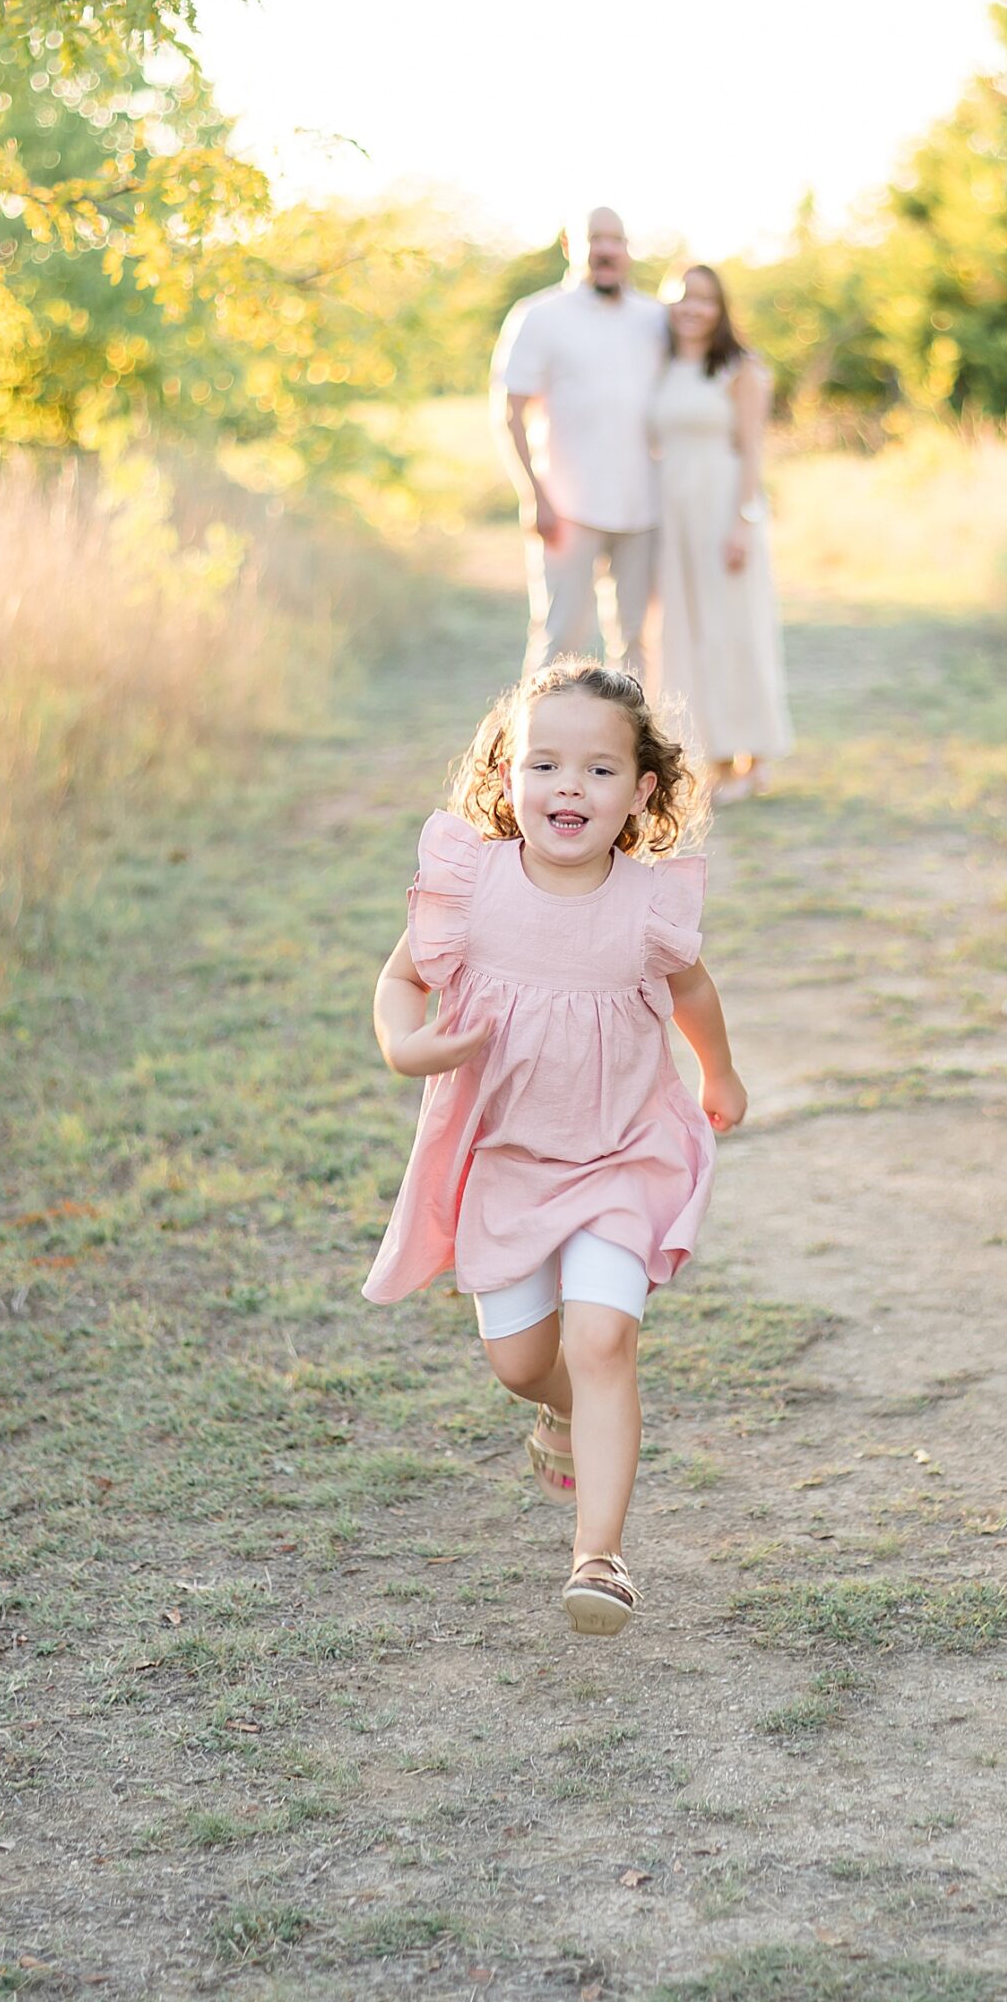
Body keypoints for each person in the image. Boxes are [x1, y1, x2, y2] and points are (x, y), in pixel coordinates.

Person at [365, 659, 746, 1636]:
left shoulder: (645, 906)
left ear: (641, 793)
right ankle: (565, 1410)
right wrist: (407, 1043)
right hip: (507, 1165)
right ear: (505, 778)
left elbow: (691, 992)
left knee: (602, 1337)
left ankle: (599, 1557)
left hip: (621, 1156)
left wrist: (716, 1073)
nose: (567, 787)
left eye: (598, 770)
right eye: (544, 764)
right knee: (521, 1360)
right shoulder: (474, 887)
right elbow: (400, 981)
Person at [491, 207, 668, 677]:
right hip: (567, 507)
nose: (606, 249)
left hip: (644, 509)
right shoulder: (539, 315)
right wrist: (534, 496)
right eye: (595, 239)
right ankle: (537, 749)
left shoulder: (655, 318)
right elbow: (510, 412)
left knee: (636, 644)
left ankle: (630, 752)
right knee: (559, 639)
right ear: (572, 247)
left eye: (616, 240)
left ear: (628, 250)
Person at [650, 265, 792, 801]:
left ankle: (753, 760)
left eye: (706, 299)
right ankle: (710, 756)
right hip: (674, 514)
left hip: (723, 509)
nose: (693, 308)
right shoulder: (663, 367)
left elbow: (753, 450)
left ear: (721, 308)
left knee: (735, 630)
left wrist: (742, 521)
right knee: (686, 633)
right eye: (684, 298)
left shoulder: (740, 368)